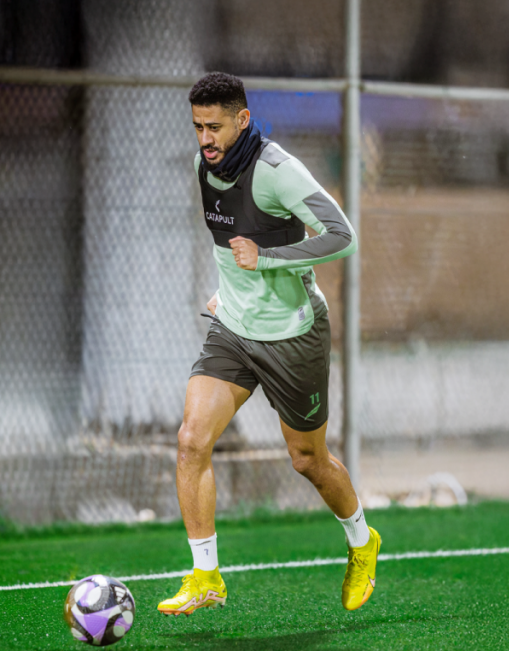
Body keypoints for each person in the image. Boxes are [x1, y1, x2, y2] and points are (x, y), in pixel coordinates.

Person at [157, 72, 380, 617]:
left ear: (243, 119)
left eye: (214, 127)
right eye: (197, 127)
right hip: (234, 329)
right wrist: (228, 292)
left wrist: (269, 259)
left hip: (293, 336)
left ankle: (362, 542)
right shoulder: (203, 167)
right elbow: (228, 244)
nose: (205, 139)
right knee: (191, 441)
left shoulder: (278, 171)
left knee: (307, 459)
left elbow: (343, 236)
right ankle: (206, 576)